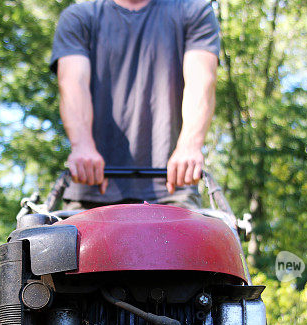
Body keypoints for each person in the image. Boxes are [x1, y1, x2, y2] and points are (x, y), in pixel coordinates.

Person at [50, 0, 220, 209]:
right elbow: (72, 81)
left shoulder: (193, 11)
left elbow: (201, 80)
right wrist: (82, 145)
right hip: (90, 188)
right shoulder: (80, 17)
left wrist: (189, 146)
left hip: (173, 189)